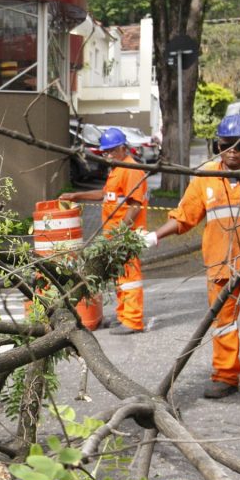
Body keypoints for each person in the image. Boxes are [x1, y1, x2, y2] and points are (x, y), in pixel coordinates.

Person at [142, 114, 240, 402]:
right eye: (226, 146)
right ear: (217, 145)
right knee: (223, 324)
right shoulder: (207, 177)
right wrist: (156, 235)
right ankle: (225, 376)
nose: (233, 152)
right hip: (220, 266)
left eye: (239, 146)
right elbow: (185, 216)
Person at [60, 127, 149, 335]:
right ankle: (123, 315)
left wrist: (121, 232)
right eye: (104, 152)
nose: (107, 155)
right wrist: (76, 196)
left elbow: (135, 205)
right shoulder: (117, 169)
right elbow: (105, 194)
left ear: (122, 148)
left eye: (110, 151)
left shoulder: (131, 170)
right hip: (116, 235)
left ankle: (133, 320)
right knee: (120, 276)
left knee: (130, 277)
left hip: (126, 235)